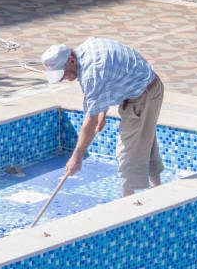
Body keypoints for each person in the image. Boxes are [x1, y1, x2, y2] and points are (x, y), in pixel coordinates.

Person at [41, 37, 164, 197]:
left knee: (126, 154)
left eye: (63, 74)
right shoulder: (87, 47)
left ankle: (128, 207)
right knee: (144, 142)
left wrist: (77, 157)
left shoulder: (91, 74)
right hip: (147, 87)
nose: (64, 79)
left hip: (143, 94)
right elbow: (110, 74)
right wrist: (102, 111)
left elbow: (89, 122)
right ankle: (159, 192)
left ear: (71, 60)